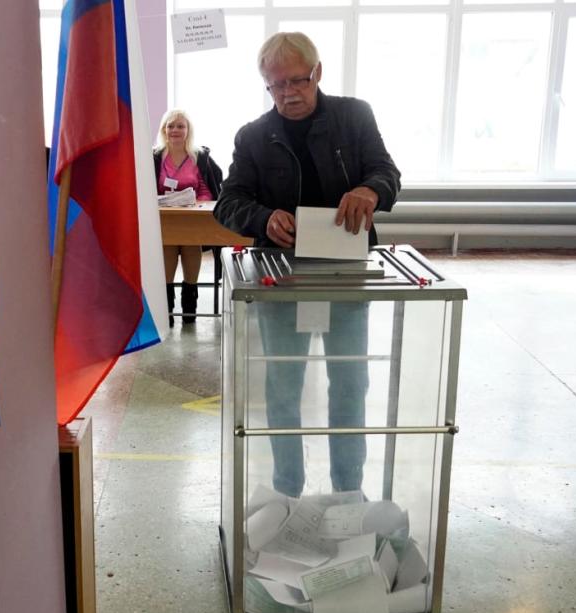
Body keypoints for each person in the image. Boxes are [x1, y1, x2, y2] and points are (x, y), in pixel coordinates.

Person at [214, 32, 401, 497]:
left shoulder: (354, 116)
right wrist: (262, 217)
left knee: (349, 385)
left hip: (347, 276)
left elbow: (388, 173)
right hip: (280, 279)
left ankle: (347, 492)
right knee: (282, 386)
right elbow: (229, 201)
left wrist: (370, 191)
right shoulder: (253, 136)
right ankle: (286, 493)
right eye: (275, 85)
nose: (288, 93)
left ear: (317, 73)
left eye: (297, 81)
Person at [153, 109, 222, 327]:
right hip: (164, 217)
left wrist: (196, 202)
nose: (175, 130)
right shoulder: (154, 157)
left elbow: (206, 189)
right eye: (170, 126)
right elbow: (148, 188)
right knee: (168, 250)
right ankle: (167, 310)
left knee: (190, 247)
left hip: (191, 215)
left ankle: (189, 308)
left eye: (180, 126)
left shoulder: (199, 156)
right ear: (164, 130)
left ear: (188, 130)